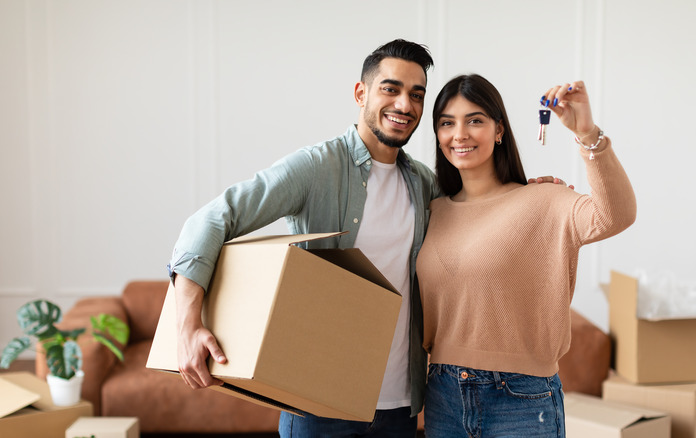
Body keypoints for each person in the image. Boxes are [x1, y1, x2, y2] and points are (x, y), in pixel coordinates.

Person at [168, 40, 561, 437]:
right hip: (317, 403)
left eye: (416, 95)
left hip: (399, 408)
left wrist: (524, 194)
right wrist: (187, 325)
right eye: (391, 89)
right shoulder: (317, 168)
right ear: (362, 93)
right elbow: (211, 221)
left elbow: (478, 216)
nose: (404, 105)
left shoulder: (425, 183)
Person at [416, 75, 636, 438]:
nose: (460, 134)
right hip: (443, 395)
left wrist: (587, 134)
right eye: (446, 122)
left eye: (475, 120)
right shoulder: (432, 210)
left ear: (499, 130)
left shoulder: (543, 201)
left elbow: (617, 214)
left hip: (520, 398)